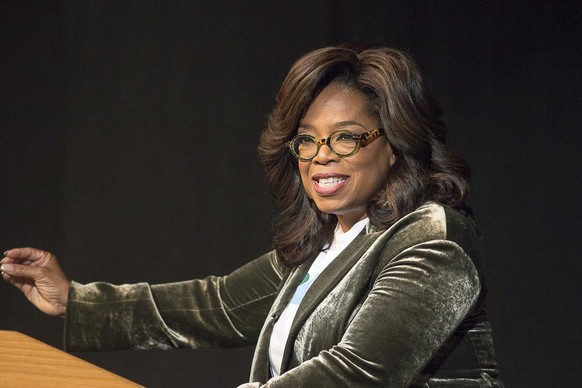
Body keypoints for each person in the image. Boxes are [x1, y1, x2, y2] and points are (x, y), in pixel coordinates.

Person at [1, 45, 503, 387]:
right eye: (307, 140)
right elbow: (216, 306)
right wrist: (76, 302)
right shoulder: (327, 245)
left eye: (345, 136)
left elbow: (359, 373)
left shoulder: (431, 238)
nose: (320, 155)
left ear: (395, 144)